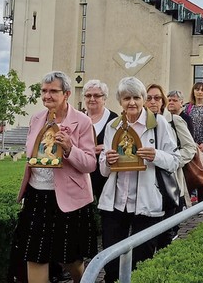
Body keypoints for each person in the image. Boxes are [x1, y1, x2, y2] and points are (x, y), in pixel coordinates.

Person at [15, 71, 97, 283]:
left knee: (70, 259)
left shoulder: (83, 121)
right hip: (36, 196)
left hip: (68, 201)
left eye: (53, 91)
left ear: (67, 94)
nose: (47, 96)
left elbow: (90, 164)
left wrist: (70, 149)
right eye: (44, 91)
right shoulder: (36, 119)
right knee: (35, 255)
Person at [98, 77, 180, 283]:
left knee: (141, 261)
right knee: (111, 263)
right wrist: (107, 160)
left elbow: (175, 161)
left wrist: (155, 155)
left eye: (136, 97)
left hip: (147, 202)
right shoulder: (113, 126)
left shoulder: (158, 123)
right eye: (127, 98)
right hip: (116, 204)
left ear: (143, 99)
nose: (132, 102)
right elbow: (103, 171)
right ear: (120, 101)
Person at [146, 83, 196, 248]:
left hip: (170, 182)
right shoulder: (139, 123)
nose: (153, 102)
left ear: (163, 101)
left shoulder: (174, 120)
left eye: (157, 98)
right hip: (146, 185)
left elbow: (190, 148)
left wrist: (171, 161)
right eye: (148, 98)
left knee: (166, 233)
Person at [83, 79, 118, 198]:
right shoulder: (79, 119)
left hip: (106, 177)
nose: (92, 99)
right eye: (88, 95)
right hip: (83, 174)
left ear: (104, 98)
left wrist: (105, 148)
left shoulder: (114, 120)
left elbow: (121, 145)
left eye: (97, 95)